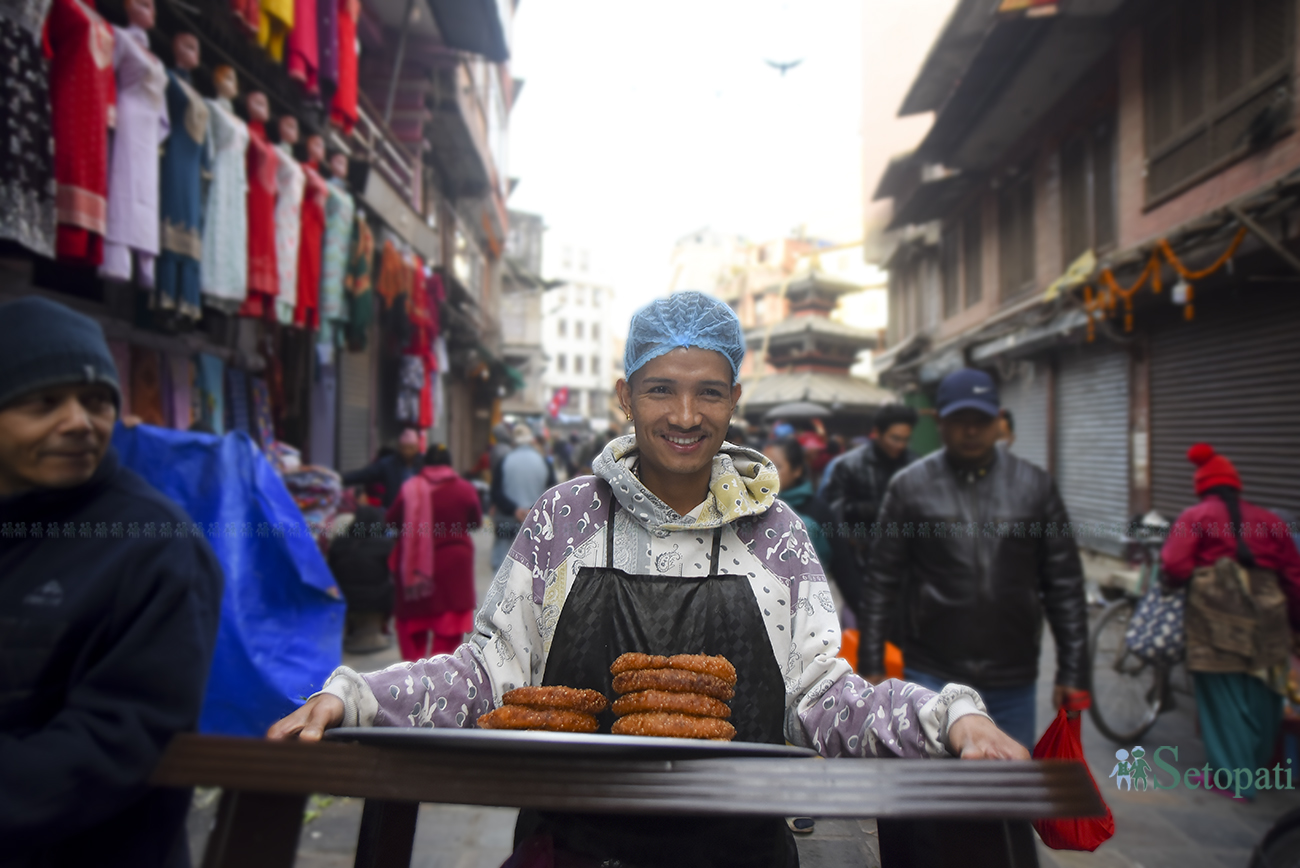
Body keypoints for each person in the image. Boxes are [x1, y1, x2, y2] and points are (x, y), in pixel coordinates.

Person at [269, 290, 1026, 868]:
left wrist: (948, 718)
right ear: (624, 397)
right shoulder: (565, 519)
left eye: (709, 391)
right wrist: (356, 695)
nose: (685, 414)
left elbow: (824, 698)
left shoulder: (775, 534)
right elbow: (485, 675)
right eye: (661, 388)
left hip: (741, 853)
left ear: (735, 401)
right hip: (569, 847)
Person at [0, 296, 223, 867]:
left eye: (97, 401)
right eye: (44, 402)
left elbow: (114, 740)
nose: (78, 422)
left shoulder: (154, 547)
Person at [862, 369, 1088, 750]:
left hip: (1012, 681)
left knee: (1007, 796)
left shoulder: (1034, 486)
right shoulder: (910, 487)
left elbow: (1063, 583)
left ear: (998, 421)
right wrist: (871, 664)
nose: (970, 431)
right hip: (931, 675)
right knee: (932, 798)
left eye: (980, 421)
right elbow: (881, 580)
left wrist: (1074, 669)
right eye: (959, 421)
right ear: (941, 423)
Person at [1160, 443, 1300, 800]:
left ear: (1202, 485)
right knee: (1265, 690)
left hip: (1214, 621)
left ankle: (1235, 779)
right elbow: (1293, 577)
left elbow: (1174, 566)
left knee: (1222, 693)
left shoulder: (1195, 516)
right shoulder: (1272, 522)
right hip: (1269, 620)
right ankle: (1257, 768)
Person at [819, 403, 918, 624]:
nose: (900, 445)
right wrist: (870, 510)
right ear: (878, 433)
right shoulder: (849, 465)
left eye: (905, 439)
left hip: (907, 565)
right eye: (894, 438)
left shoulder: (914, 465)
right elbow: (833, 514)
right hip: (862, 563)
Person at [385, 444, 483, 661]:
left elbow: (391, 519)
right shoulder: (464, 489)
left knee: (413, 627)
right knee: (446, 639)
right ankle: (438, 683)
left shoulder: (411, 488)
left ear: (425, 463)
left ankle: (413, 682)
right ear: (450, 464)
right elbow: (475, 522)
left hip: (415, 570)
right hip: (454, 567)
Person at [328, 504, 395, 654]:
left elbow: (332, 573)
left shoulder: (339, 544)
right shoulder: (385, 545)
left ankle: (352, 631)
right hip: (379, 599)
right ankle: (383, 629)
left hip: (347, 600)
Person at [488, 422, 551, 573]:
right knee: (529, 569)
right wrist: (531, 510)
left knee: (502, 568)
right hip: (534, 523)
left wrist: (515, 510)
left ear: (513, 442)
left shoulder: (505, 461)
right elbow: (552, 490)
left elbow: (496, 492)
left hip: (507, 521)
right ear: (531, 440)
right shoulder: (543, 462)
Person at [765, 436, 831, 566]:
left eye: (776, 466)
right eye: (761, 465)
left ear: (797, 470)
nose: (766, 473)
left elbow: (840, 562)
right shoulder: (751, 506)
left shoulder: (817, 511)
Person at [341, 428, 422, 507]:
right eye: (404, 448)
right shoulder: (388, 464)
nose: (407, 452)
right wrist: (340, 478)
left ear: (417, 447)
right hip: (393, 512)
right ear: (399, 447)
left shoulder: (423, 464)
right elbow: (365, 474)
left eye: (411, 448)